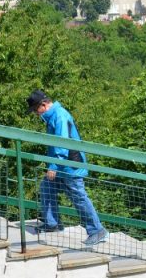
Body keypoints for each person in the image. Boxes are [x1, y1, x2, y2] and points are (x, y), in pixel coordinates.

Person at [27, 89, 108, 246]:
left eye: (35, 110)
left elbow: (63, 144)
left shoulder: (60, 116)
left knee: (79, 198)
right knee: (47, 187)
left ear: (43, 105)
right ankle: (52, 224)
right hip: (62, 166)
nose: (35, 114)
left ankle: (97, 230)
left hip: (70, 166)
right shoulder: (52, 117)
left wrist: (53, 166)